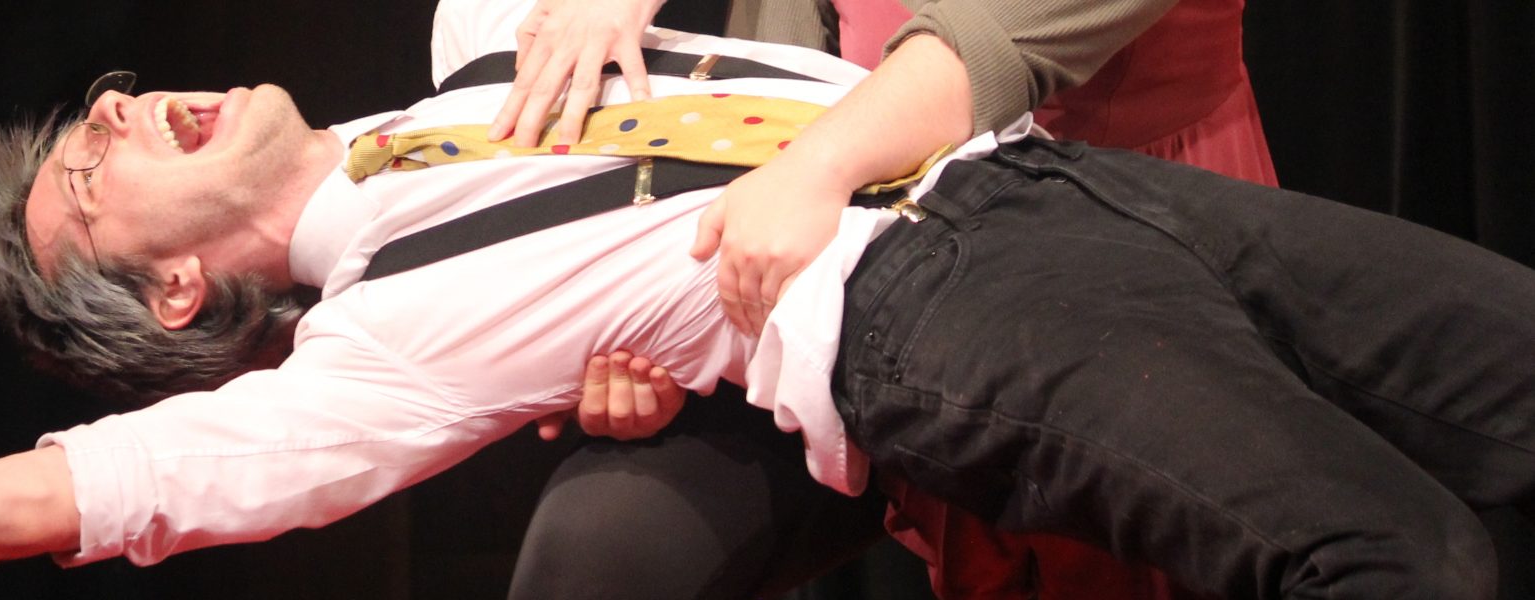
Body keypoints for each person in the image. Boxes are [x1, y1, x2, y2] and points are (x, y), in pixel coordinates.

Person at [0, 0, 1534, 595]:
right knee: (1392, 560)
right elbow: (36, 498)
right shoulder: (364, 357)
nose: (115, 109)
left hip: (1058, 176)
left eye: (96, 109)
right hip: (935, 309)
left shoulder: (475, 52)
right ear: (182, 289)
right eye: (98, 177)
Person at [497, 0, 1277, 597]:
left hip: (1098, 253)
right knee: (599, 552)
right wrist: (661, 334)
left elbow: (992, 44)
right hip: (826, 251)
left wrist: (814, 171)